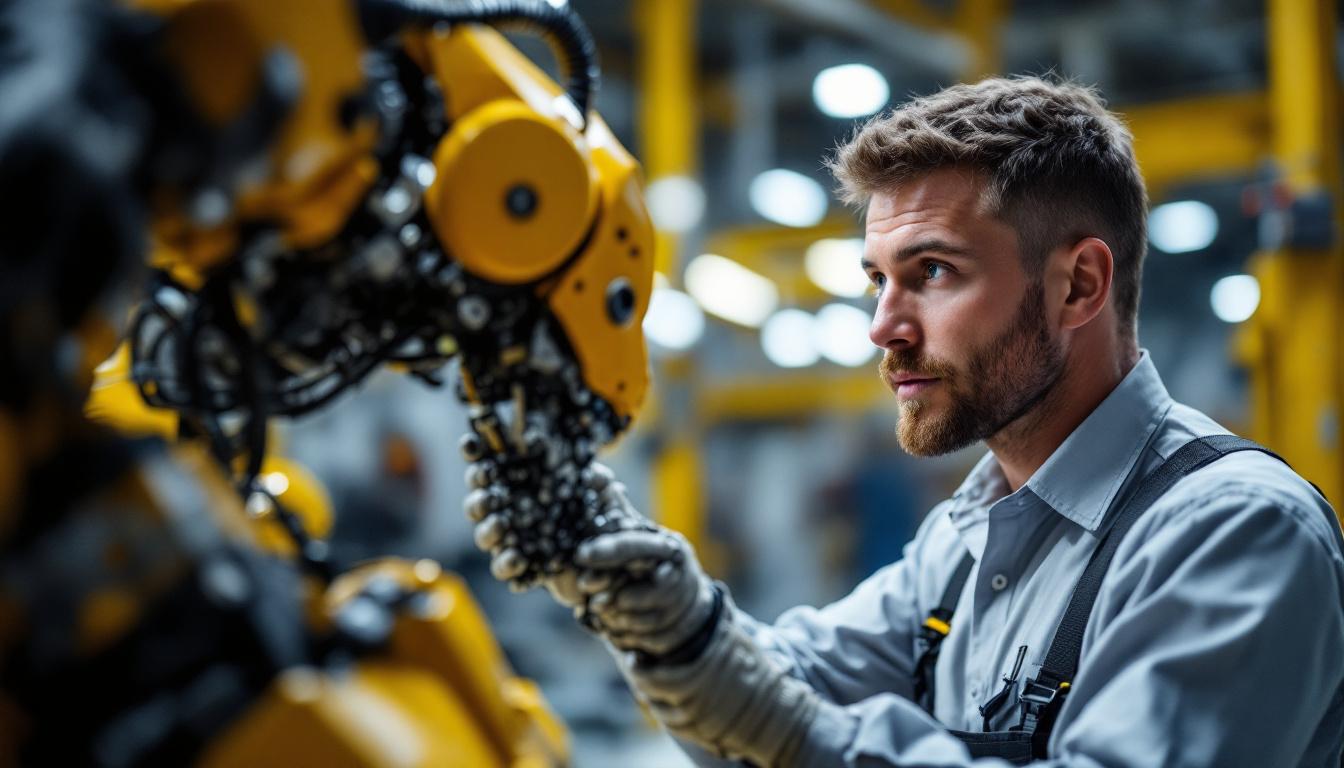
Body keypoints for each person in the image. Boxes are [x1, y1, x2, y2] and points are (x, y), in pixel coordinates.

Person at [467, 76, 1344, 766]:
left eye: (931, 272)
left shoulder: (1235, 532)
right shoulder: (966, 544)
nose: (883, 325)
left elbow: (782, 724)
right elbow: (766, 702)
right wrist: (640, 603)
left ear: (1079, 285)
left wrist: (780, 724)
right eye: (875, 281)